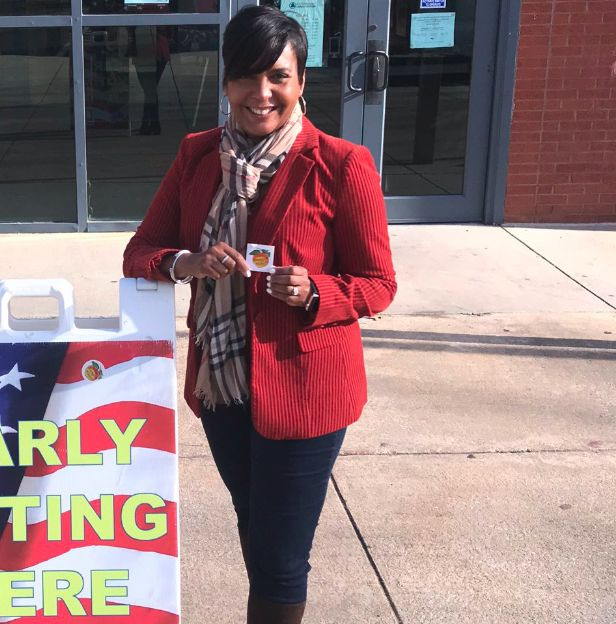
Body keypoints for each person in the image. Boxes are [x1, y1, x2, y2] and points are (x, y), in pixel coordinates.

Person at [122, 6, 396, 624]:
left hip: (305, 389)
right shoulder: (197, 156)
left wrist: (317, 290)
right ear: (226, 82)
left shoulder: (341, 164)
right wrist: (187, 263)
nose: (261, 92)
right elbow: (141, 251)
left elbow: (379, 285)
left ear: (301, 82)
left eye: (278, 76)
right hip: (223, 386)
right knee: (256, 525)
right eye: (247, 76)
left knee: (278, 557)